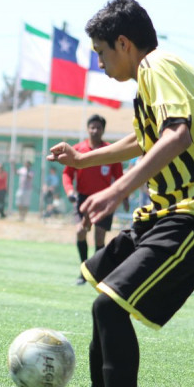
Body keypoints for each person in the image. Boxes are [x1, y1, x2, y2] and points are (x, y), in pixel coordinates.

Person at [39, 0, 194, 387]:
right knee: (100, 288)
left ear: (125, 44)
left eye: (101, 52)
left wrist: (115, 192)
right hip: (167, 211)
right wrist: (83, 158)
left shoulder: (160, 67)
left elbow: (177, 135)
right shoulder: (146, 82)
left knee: (110, 308)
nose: (99, 62)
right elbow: (143, 139)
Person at [63, 114, 126, 285]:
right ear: (88, 129)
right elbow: (67, 173)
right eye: (92, 127)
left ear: (103, 130)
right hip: (83, 199)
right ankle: (83, 272)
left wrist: (124, 197)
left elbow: (119, 176)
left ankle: (97, 273)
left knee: (100, 237)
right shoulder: (78, 150)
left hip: (105, 200)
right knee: (81, 231)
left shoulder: (110, 151)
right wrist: (70, 191)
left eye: (98, 128)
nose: (95, 130)